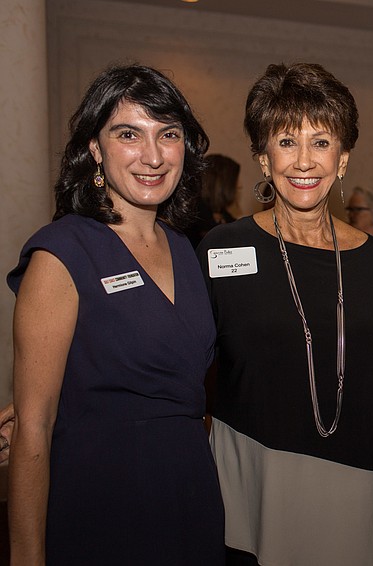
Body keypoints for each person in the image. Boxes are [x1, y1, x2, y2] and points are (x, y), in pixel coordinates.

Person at [197, 62, 373, 565]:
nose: (303, 161)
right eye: (286, 141)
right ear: (262, 157)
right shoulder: (221, 249)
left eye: (320, 142)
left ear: (342, 159)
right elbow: (177, 368)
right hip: (257, 492)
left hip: (361, 491)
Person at [6, 64, 224, 565]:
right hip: (101, 503)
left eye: (168, 134)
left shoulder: (184, 250)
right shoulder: (63, 253)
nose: (153, 155)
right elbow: (33, 427)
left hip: (190, 495)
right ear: (95, 149)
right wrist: (26, 556)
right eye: (128, 134)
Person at [187, 153, 243, 247]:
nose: (239, 186)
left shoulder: (229, 220)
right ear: (223, 183)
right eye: (235, 181)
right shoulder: (191, 219)